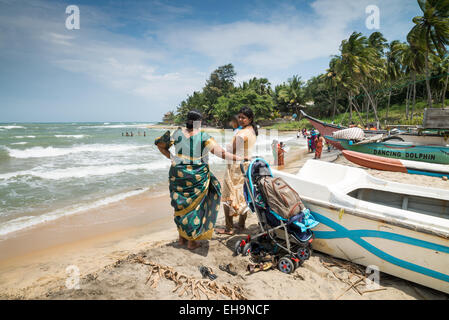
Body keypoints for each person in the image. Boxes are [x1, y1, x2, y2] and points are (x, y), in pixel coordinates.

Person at [155, 110, 245, 250]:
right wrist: (240, 158)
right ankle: (192, 241)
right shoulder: (203, 136)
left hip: (177, 173)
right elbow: (221, 153)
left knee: (180, 206)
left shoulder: (177, 133)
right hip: (196, 175)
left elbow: (160, 145)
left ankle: (181, 238)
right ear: (198, 122)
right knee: (196, 208)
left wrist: (172, 158)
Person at [216, 106, 258, 235]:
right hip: (245, 166)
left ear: (250, 119)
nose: (240, 119)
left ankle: (229, 228)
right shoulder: (252, 130)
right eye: (239, 117)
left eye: (243, 117)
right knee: (243, 195)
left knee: (228, 196)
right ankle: (241, 224)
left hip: (235, 167)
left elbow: (231, 151)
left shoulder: (242, 133)